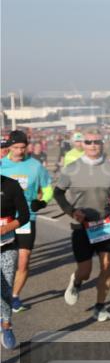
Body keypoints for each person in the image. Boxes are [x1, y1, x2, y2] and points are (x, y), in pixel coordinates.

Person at [53, 131, 110, 322]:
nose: (93, 145)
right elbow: (58, 194)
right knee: (85, 272)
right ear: (82, 145)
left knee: (107, 266)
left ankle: (100, 307)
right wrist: (71, 211)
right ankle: (76, 281)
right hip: (82, 226)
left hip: (104, 223)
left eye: (97, 142)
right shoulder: (71, 169)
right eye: (88, 142)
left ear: (102, 144)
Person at [1, 130, 54, 314]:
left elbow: (48, 188)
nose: (19, 151)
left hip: (26, 218)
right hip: (4, 220)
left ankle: (14, 297)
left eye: (22, 147)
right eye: (15, 147)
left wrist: (43, 201)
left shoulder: (35, 166)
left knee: (23, 262)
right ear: (9, 147)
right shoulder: (1, 165)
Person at [1, 172, 30, 349]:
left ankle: (6, 324)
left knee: (5, 289)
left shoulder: (11, 185)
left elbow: (25, 215)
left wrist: (7, 228)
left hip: (7, 245)